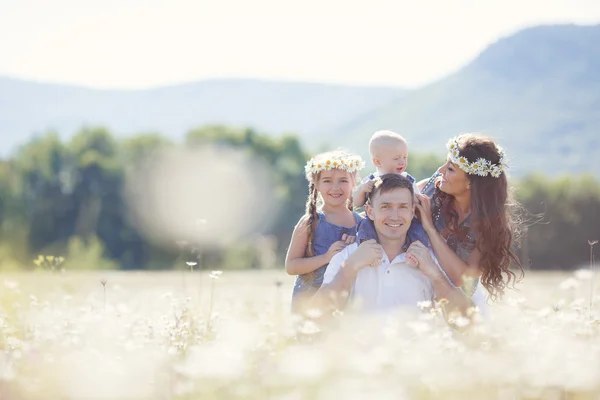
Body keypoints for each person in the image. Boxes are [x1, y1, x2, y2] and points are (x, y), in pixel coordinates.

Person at [312, 173, 474, 316]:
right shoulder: (348, 256)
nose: (395, 216)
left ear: (412, 212)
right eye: (386, 207)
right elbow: (316, 315)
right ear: (370, 212)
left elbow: (469, 318)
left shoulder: (428, 257)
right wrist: (350, 268)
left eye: (403, 207)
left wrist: (434, 273)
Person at [415, 134, 523, 303]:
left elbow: (464, 279)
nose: (441, 170)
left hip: (457, 303)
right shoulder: (428, 191)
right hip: (416, 292)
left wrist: (429, 229)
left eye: (450, 169)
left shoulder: (490, 224)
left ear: (471, 183)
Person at [285, 150, 366, 312]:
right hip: (310, 301)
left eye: (343, 180)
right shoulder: (311, 222)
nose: (335, 187)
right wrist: (326, 257)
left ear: (353, 183)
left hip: (346, 299)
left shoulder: (361, 224)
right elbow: (291, 266)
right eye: (327, 181)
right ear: (316, 184)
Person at [352, 130, 430, 252]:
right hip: (375, 221)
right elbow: (356, 202)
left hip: (405, 222)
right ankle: (368, 250)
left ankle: (414, 252)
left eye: (405, 157)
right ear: (378, 162)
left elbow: (418, 202)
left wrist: (413, 197)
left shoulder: (407, 180)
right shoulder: (371, 180)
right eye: (396, 158)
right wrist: (362, 190)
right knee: (364, 228)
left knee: (418, 231)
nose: (402, 162)